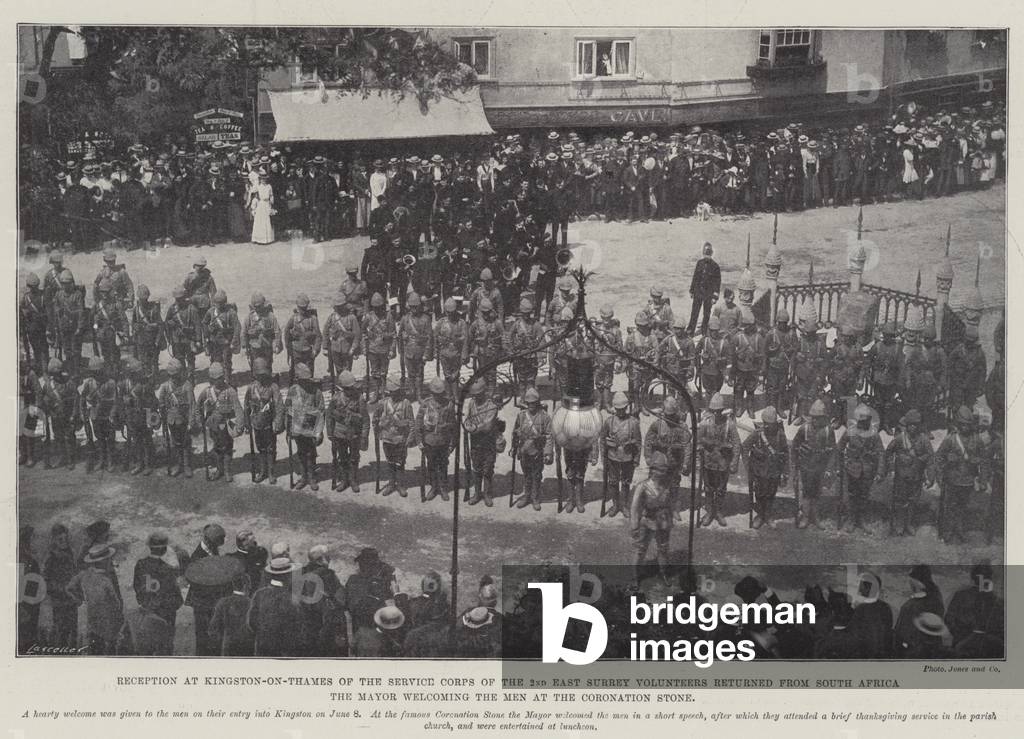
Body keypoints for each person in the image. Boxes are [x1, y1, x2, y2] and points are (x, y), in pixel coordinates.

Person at [933, 406, 985, 543]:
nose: (964, 427)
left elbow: (985, 461)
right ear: (958, 424)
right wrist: (939, 477)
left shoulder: (977, 440)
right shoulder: (951, 439)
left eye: (967, 425)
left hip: (967, 480)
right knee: (949, 507)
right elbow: (938, 458)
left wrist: (983, 480)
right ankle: (947, 533)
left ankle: (960, 530)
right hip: (951, 480)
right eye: (962, 424)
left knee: (963, 507)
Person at [132, 532, 183, 656]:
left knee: (146, 650)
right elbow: (177, 599)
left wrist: (145, 603)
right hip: (165, 616)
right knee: (164, 651)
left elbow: (137, 587)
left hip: (146, 612)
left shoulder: (140, 565)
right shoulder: (169, 569)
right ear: (165, 549)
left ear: (149, 547)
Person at [643, 395, 692, 522]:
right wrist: (648, 457)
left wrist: (686, 463)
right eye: (667, 414)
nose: (669, 417)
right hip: (659, 460)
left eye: (672, 415)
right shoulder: (657, 424)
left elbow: (687, 446)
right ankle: (651, 507)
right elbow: (648, 441)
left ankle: (674, 508)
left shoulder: (682, 427)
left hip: (675, 461)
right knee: (655, 484)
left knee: (674, 485)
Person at [278, 362, 325, 491]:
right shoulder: (293, 390)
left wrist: (319, 431)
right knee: (301, 453)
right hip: (297, 426)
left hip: (311, 426)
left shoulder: (316, 391)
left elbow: (321, 411)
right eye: (302, 380)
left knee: (311, 453)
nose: (305, 382)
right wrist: (288, 429)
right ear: (298, 379)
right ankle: (303, 477)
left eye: (307, 379)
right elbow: (287, 408)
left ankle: (311, 477)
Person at [697, 393, 741, 527]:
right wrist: (704, 445)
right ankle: (710, 511)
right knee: (709, 488)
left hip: (723, 463)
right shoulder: (705, 423)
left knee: (721, 488)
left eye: (718, 411)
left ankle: (719, 511)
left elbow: (737, 443)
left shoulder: (730, 424)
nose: (716, 413)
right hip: (708, 462)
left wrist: (734, 462)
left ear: (722, 410)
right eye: (713, 411)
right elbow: (698, 440)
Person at [742, 406, 789, 529]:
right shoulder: (757, 434)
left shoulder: (780, 435)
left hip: (774, 470)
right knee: (759, 493)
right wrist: (748, 466)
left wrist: (785, 472)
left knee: (771, 494)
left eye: (770, 424)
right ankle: (760, 515)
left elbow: (785, 454)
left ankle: (768, 515)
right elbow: (745, 447)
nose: (767, 426)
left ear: (775, 423)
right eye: (765, 423)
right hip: (759, 470)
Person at [629, 452, 674, 582]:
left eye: (665, 470)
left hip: (663, 522)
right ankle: (635, 577)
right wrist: (634, 525)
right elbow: (634, 507)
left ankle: (663, 573)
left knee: (663, 548)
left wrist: (670, 520)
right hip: (647, 521)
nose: (663, 473)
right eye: (660, 470)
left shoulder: (667, 486)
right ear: (653, 470)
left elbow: (670, 504)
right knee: (640, 550)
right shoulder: (642, 486)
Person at [247, 557, 305, 657]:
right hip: (284, 653)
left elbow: (251, 623)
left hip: (262, 649)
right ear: (287, 576)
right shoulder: (292, 599)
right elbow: (298, 629)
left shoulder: (259, 594)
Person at [791, 398, 835, 529]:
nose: (815, 420)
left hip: (820, 467)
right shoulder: (804, 428)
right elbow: (794, 447)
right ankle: (805, 517)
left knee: (817, 492)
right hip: (806, 466)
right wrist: (794, 465)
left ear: (824, 418)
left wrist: (829, 469)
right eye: (813, 417)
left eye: (818, 418)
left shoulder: (828, 431)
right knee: (806, 492)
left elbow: (833, 451)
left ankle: (815, 517)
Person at [600, 392, 643, 518]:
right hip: (612, 457)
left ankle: (624, 505)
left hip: (628, 457)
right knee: (613, 482)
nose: (620, 412)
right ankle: (615, 505)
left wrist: (636, 459)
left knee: (626, 482)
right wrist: (603, 458)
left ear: (626, 408)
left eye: (623, 409)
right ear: (614, 408)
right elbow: (602, 440)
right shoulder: (609, 422)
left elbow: (639, 443)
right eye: (618, 409)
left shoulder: (633, 422)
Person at [463, 379, 505, 507]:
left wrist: (474, 428)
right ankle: (477, 493)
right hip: (475, 442)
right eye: (474, 395)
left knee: (488, 469)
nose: (476, 397)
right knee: (476, 468)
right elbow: (468, 420)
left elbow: (487, 426)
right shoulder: (471, 403)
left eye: (478, 394)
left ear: (484, 393)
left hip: (488, 442)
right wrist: (468, 426)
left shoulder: (491, 406)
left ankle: (487, 494)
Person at [327, 370, 370, 493]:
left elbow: (365, 420)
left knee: (354, 458)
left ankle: (353, 479)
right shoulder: (336, 398)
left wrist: (364, 436)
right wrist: (330, 432)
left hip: (354, 434)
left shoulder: (359, 398)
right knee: (342, 457)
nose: (351, 390)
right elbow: (329, 416)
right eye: (348, 388)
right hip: (339, 433)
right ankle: (344, 479)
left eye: (352, 388)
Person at [416, 377, 457, 502]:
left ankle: (443, 488)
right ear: (431, 393)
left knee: (443, 465)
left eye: (440, 394)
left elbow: (453, 426)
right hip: (429, 442)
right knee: (432, 465)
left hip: (443, 441)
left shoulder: (449, 405)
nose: (438, 397)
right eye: (436, 394)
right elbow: (418, 424)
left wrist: (452, 444)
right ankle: (434, 487)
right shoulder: (425, 404)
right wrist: (419, 442)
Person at [894, 564, 945, 656]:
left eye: (911, 580)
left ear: (918, 581)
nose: (909, 583)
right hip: (928, 646)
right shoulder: (934, 596)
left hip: (918, 648)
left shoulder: (915, 605)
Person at [43, 523, 79, 649]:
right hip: (60, 603)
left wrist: (78, 594)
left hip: (72, 602)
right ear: (54, 540)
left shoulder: (70, 554)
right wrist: (63, 590)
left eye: (65, 539)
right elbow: (46, 582)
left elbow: (75, 575)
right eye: (60, 539)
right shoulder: (51, 558)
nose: (64, 542)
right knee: (61, 634)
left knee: (73, 633)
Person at [397, 293, 434, 401]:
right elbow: (400, 335)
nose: (414, 309)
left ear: (420, 306)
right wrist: (401, 350)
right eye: (412, 306)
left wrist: (426, 355)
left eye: (416, 306)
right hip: (408, 351)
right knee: (410, 374)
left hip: (420, 351)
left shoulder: (426, 319)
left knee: (419, 374)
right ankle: (412, 393)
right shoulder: (405, 319)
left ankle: (419, 394)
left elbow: (429, 338)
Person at [729, 308, 765, 418]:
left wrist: (758, 362)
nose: (745, 328)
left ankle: (750, 408)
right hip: (740, 368)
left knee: (751, 390)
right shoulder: (738, 337)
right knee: (739, 389)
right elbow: (731, 354)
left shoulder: (758, 338)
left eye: (747, 326)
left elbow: (762, 354)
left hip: (752, 369)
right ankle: (739, 407)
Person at [763, 307, 798, 418]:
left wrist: (792, 366)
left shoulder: (792, 334)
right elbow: (765, 351)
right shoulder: (771, 333)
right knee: (772, 388)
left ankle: (779, 407)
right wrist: (764, 366)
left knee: (782, 387)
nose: (782, 325)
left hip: (784, 365)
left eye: (784, 323)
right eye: (781, 323)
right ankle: (772, 408)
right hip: (773, 366)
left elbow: (795, 350)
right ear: (777, 322)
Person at [467, 299, 505, 398]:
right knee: (481, 372)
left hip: (493, 352)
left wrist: (505, 350)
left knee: (492, 373)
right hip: (480, 352)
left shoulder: (497, 323)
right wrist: (468, 352)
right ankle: (482, 389)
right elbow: (469, 337)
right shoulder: (476, 323)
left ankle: (491, 391)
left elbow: (504, 336)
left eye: (488, 312)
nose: (486, 315)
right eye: (484, 312)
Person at [208, 575, 255, 656]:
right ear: (245, 585)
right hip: (248, 646)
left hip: (228, 645)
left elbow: (213, 628)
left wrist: (220, 641)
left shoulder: (223, 602)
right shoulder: (252, 603)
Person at [362, 292, 396, 399]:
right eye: (375, 307)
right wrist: (364, 347)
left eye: (380, 307)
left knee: (383, 373)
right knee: (374, 372)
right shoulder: (368, 317)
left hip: (384, 349)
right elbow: (363, 333)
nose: (378, 310)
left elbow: (394, 335)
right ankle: (376, 393)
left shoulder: (389, 316)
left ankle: (383, 392)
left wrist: (392, 350)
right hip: (372, 350)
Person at [164, 285, 202, 381]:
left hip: (189, 340)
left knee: (190, 359)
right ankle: (182, 377)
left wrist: (198, 340)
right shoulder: (172, 309)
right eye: (177, 299)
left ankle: (191, 377)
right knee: (179, 360)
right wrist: (170, 337)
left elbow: (197, 324)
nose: (178, 300)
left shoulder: (191, 309)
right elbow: (166, 323)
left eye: (180, 298)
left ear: (184, 297)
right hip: (177, 340)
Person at [284, 293, 323, 381]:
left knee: (308, 373)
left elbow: (318, 336)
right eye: (301, 307)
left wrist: (316, 350)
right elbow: (286, 334)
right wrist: (289, 349)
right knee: (295, 374)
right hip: (296, 351)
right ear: (297, 307)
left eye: (304, 307)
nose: (302, 310)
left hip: (308, 351)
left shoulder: (313, 319)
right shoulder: (293, 318)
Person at [204, 290, 241, 380]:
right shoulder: (211, 312)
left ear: (225, 302)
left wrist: (234, 341)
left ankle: (227, 380)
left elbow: (237, 328)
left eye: (221, 303)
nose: (219, 305)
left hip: (226, 342)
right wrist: (206, 336)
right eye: (217, 303)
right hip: (214, 342)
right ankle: (215, 380)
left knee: (226, 363)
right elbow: (204, 323)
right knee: (214, 362)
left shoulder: (231, 312)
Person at [242, 292, 283, 372]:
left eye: (260, 306)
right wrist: (244, 345)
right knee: (255, 364)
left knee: (268, 364)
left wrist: (277, 345)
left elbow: (277, 331)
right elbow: (244, 332)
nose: (258, 308)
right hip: (254, 346)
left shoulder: (270, 316)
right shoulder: (249, 318)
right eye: (256, 306)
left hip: (267, 345)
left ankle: (268, 380)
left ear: (263, 304)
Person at [132, 284, 164, 379]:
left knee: (154, 361)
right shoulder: (136, 310)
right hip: (141, 340)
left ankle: (155, 380)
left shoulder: (154, 309)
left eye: (145, 298)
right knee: (143, 362)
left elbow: (160, 325)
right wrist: (135, 326)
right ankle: (146, 380)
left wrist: (157, 341)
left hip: (152, 341)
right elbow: (133, 323)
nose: (143, 300)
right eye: (141, 298)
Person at [249, 171, 275, 244]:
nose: (263, 180)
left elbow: (271, 195)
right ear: (260, 179)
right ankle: (258, 238)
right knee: (260, 221)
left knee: (267, 220)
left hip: (267, 204)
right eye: (262, 179)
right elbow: (252, 193)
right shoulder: (258, 186)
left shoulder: (269, 186)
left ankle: (267, 239)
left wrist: (271, 201)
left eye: (265, 179)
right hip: (261, 204)